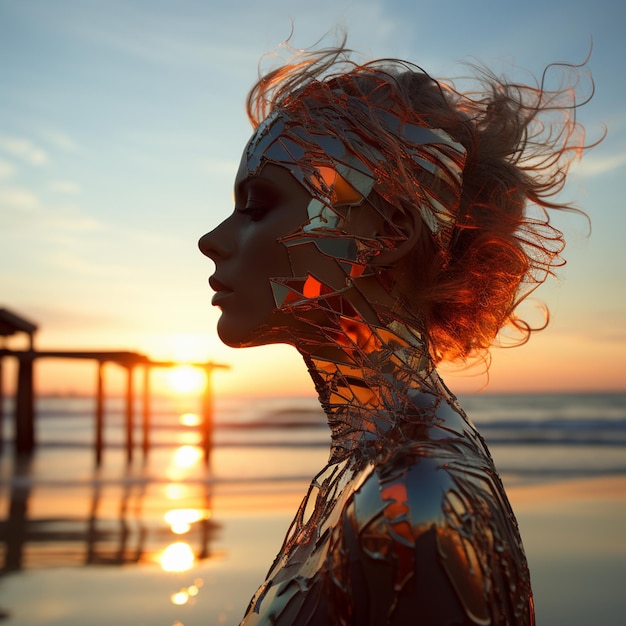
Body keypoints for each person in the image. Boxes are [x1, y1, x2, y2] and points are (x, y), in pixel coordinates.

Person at [199, 42, 592, 625]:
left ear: (388, 232)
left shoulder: (412, 497)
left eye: (258, 205)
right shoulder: (381, 466)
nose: (213, 239)